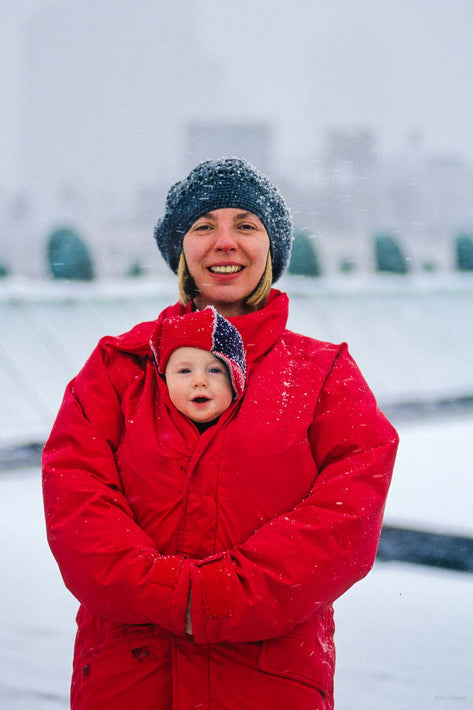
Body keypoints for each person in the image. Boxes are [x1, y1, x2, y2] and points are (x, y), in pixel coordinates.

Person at [42, 157, 399, 710]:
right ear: (180, 249)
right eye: (204, 226)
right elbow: (77, 502)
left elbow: (345, 518)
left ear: (272, 249)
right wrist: (167, 592)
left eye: (246, 225)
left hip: (267, 682)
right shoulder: (119, 368)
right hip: (128, 681)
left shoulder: (322, 374)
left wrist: (220, 596)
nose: (225, 242)